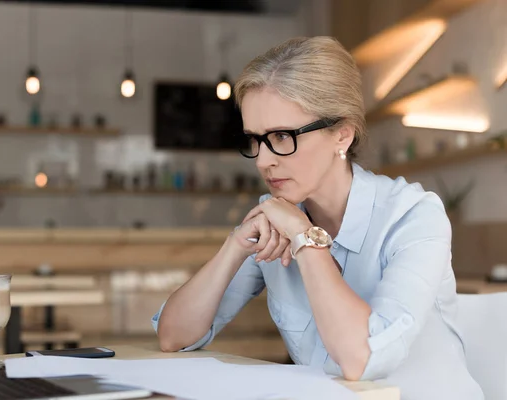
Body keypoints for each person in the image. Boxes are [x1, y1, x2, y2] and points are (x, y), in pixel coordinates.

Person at [151, 36, 483, 400]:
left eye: (282, 136)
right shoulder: (274, 216)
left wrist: (305, 238)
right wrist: (234, 247)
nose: (263, 160)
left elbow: (361, 358)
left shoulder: (414, 216)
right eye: (255, 140)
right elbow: (173, 336)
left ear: (341, 134)